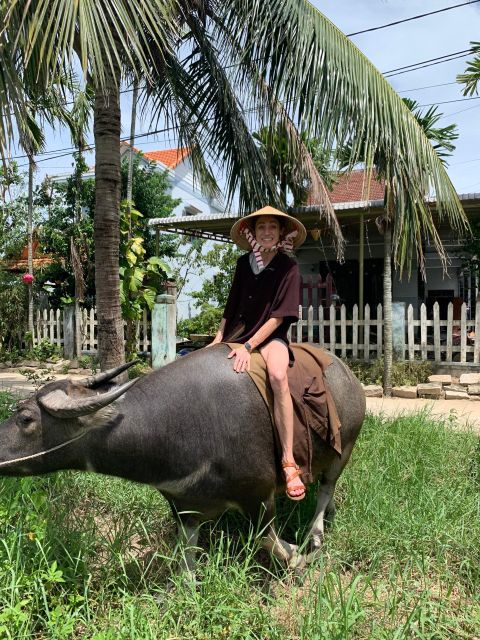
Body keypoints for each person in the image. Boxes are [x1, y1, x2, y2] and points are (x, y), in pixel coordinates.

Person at [208, 205, 307, 500]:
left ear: (280, 233)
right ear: (253, 232)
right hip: (238, 334)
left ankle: (288, 461)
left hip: (270, 338)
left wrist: (250, 347)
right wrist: (217, 338)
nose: (266, 232)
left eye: (272, 228)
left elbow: (279, 316)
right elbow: (230, 308)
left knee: (278, 377)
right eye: (261, 227)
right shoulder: (243, 263)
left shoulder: (288, 267)